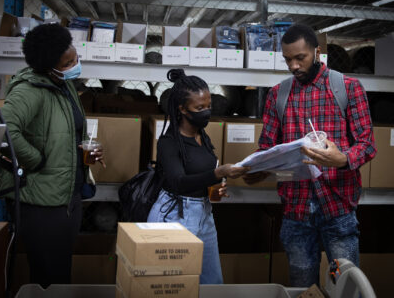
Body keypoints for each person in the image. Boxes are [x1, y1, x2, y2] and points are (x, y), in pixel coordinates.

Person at [243, 24, 376, 287]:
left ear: (317, 52)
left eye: (299, 58)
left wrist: (343, 159)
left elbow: (367, 144)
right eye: (287, 59)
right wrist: (255, 168)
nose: (293, 66)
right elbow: (267, 147)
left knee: (346, 287)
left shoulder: (347, 88)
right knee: (303, 288)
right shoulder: (278, 95)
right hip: (296, 210)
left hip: (338, 207)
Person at [0, 23, 105, 288]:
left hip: (67, 196)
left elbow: (67, 130)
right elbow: (5, 131)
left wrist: (82, 148)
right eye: (68, 63)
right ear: (48, 66)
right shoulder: (29, 90)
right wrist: (35, 160)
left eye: (75, 57)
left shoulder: (64, 86)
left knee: (59, 274)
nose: (76, 64)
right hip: (43, 203)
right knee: (49, 278)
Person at [147, 69, 250, 284]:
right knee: (175, 285)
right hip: (175, 214)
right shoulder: (169, 142)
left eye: (208, 106)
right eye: (199, 108)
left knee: (212, 282)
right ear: (182, 109)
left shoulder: (203, 136)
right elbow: (179, 182)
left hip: (204, 213)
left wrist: (217, 185)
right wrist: (218, 173)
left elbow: (204, 173)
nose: (206, 112)